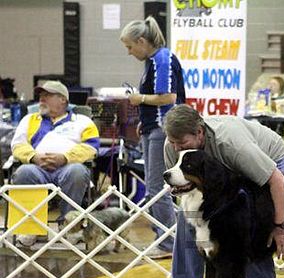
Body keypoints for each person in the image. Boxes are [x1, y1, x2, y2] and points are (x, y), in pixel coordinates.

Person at [156, 104, 284, 278]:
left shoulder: (231, 144)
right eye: (173, 142)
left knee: (251, 220)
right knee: (187, 220)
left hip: (269, 160)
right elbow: (182, 189)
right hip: (221, 177)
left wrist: (280, 226)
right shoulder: (173, 144)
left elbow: (276, 180)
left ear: (199, 133)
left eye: (181, 143)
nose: (176, 148)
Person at [120, 16, 186, 259]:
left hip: (163, 130)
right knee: (155, 187)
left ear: (140, 41)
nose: (128, 52)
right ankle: (167, 237)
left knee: (158, 188)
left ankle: (169, 242)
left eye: (129, 46)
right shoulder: (152, 61)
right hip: (153, 128)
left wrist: (139, 100)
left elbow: (168, 97)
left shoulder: (162, 58)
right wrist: (143, 121)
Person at [10, 80, 100, 246]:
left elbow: (91, 146)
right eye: (41, 96)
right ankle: (33, 229)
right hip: (37, 167)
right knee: (24, 172)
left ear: (63, 99)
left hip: (68, 166)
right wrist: (34, 157)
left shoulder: (81, 121)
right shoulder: (29, 119)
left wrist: (65, 157)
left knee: (77, 172)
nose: (41, 99)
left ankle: (68, 228)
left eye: (47, 95)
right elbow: (17, 145)